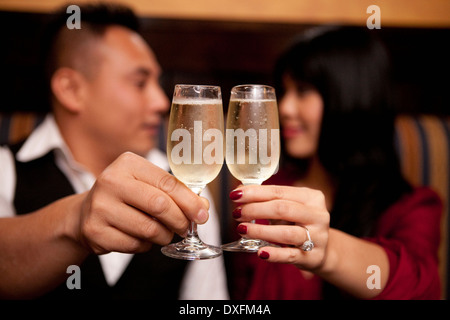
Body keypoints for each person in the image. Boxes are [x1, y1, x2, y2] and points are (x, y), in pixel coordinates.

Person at [0, 3, 228, 299]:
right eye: (140, 82)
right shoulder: (5, 170)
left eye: (157, 83)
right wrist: (75, 218)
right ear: (71, 89)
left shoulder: (189, 186)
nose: (161, 102)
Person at [228, 26, 442, 299]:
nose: (284, 108)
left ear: (351, 97)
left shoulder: (412, 207)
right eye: (285, 91)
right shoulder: (268, 189)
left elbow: (421, 287)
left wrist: (326, 252)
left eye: (303, 91)